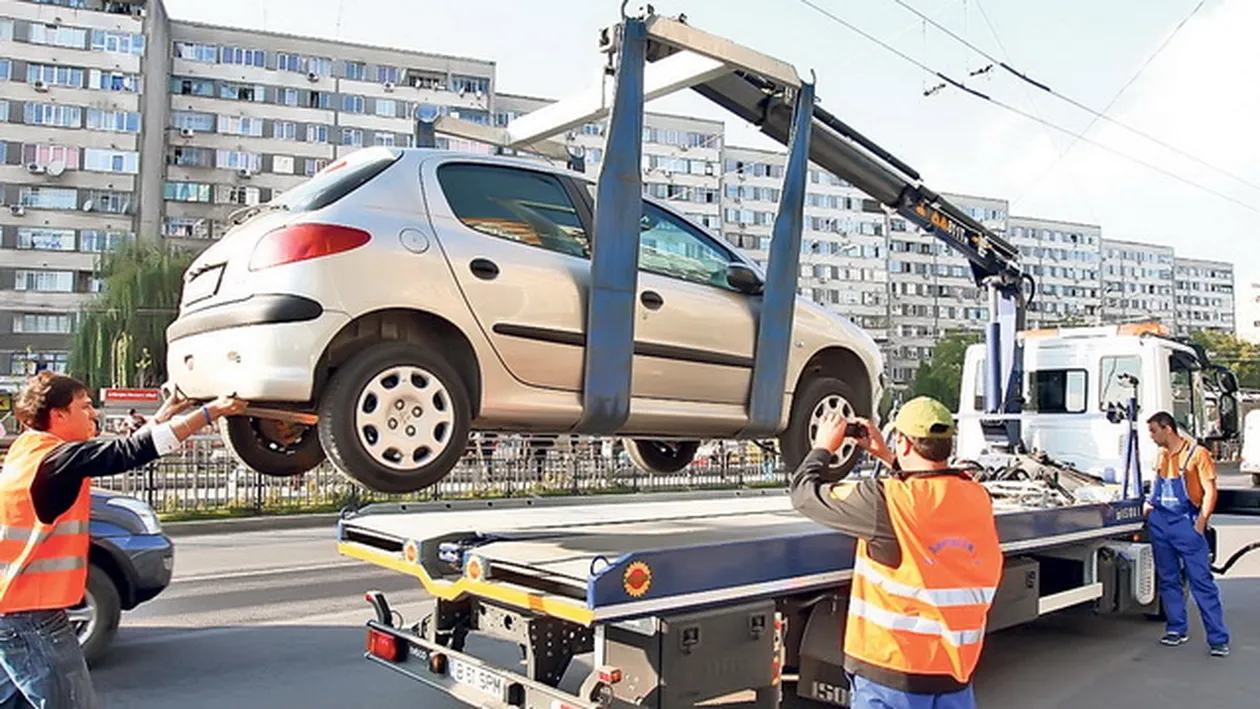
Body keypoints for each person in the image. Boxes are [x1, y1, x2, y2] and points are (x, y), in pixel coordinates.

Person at [0, 371, 248, 707]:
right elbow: (128, 452)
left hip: (14, 611)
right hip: (31, 616)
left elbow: (117, 450)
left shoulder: (29, 452)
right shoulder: (58, 461)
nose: (94, 413)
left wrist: (166, 413)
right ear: (58, 415)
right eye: (84, 407)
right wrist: (211, 412)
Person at [790, 396, 1003, 709]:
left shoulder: (885, 501)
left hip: (892, 675)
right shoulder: (976, 496)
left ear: (903, 443)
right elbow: (929, 485)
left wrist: (823, 447)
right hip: (954, 675)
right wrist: (888, 456)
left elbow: (803, 494)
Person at [1143, 410, 1229, 657]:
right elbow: (1157, 483)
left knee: (1202, 582)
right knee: (1169, 579)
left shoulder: (1196, 454)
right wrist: (1150, 504)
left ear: (1167, 428)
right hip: (1161, 522)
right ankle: (1176, 629)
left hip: (1186, 523)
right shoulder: (1161, 455)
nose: (1151, 436)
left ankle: (1218, 639)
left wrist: (1201, 523)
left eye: (1153, 431)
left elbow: (1210, 491)